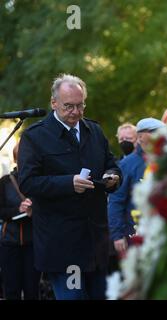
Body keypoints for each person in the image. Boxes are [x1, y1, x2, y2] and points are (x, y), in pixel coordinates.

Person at [18, 74, 122, 300]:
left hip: (96, 243)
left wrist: (113, 176)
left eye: (80, 105)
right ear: (53, 103)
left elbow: (111, 165)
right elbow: (27, 182)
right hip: (64, 248)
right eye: (69, 106)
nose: (75, 112)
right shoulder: (34, 137)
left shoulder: (94, 131)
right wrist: (68, 183)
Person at [108, 118, 166, 255]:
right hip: (134, 235)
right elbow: (116, 201)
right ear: (140, 137)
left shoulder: (166, 160)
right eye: (153, 132)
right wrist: (117, 235)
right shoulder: (127, 164)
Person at [0, 142, 41, 299]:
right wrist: (18, 209)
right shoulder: (4, 182)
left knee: (32, 290)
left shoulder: (39, 181)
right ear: (16, 159)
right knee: (11, 290)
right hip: (9, 243)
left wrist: (34, 209)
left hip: (33, 243)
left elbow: (48, 209)